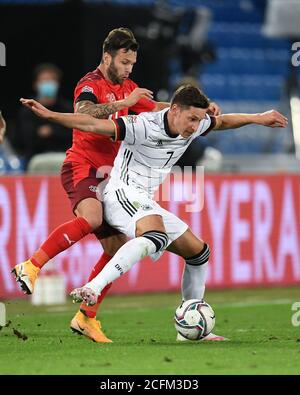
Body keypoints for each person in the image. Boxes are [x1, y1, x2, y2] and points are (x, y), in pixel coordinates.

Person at [20, 85, 288, 341]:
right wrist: (51, 115)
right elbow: (92, 124)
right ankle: (93, 287)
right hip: (119, 193)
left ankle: (190, 328)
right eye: (191, 119)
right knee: (155, 236)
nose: (195, 127)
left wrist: (259, 118)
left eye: (198, 120)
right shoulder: (144, 125)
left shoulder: (193, 126)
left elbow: (224, 122)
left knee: (198, 252)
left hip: (144, 200)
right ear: (174, 110)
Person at [14, 63, 73, 167]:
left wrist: (52, 131)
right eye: (44, 80)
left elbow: (72, 134)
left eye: (51, 80)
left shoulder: (67, 108)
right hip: (35, 158)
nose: (48, 83)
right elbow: (24, 139)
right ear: (36, 84)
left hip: (64, 156)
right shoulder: (27, 109)